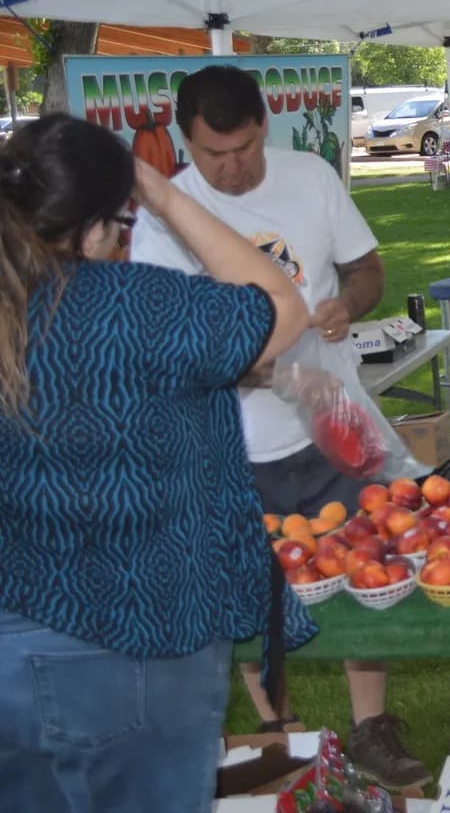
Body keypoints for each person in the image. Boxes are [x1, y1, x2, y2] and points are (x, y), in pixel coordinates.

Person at [0, 115, 313, 812]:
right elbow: (281, 308)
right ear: (104, 220)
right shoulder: (140, 307)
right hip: (138, 639)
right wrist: (166, 195)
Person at [131, 65, 429, 789]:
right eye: (214, 155)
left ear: (265, 126)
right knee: (251, 590)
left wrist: (347, 306)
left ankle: (371, 728)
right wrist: (255, 369)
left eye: (244, 150)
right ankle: (277, 734)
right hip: (232, 445)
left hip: (334, 427)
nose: (231, 169)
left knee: (370, 568)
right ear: (185, 143)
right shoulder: (163, 220)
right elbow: (170, 341)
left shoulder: (311, 177)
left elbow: (366, 269)